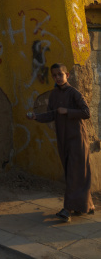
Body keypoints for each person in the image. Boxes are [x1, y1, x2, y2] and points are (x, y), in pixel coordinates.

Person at [28, 62, 95, 222]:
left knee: (74, 173)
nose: (57, 77)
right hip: (63, 140)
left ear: (67, 75)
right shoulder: (54, 95)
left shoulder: (74, 93)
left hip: (77, 139)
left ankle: (67, 209)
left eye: (60, 74)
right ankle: (86, 205)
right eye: (54, 75)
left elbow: (86, 112)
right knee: (73, 173)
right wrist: (36, 117)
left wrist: (68, 111)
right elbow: (51, 115)